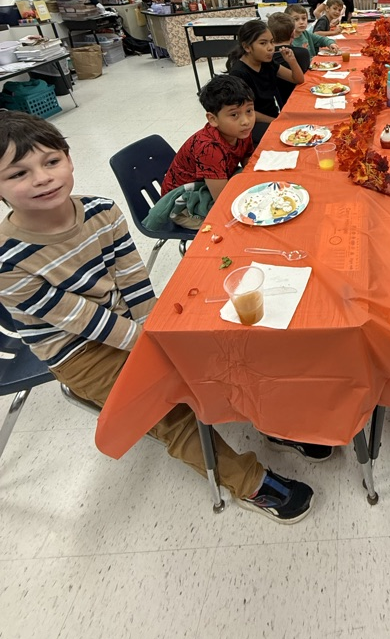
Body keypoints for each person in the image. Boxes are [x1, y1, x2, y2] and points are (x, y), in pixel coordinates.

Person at [0, 112, 314, 524]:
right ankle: (246, 480)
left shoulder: (102, 211)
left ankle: (267, 422)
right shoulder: (10, 260)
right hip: (78, 351)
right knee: (166, 404)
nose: (42, 178)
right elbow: (83, 321)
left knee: (221, 347)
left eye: (51, 161)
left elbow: (134, 282)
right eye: (19, 173)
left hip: (129, 322)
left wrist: (160, 332)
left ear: (70, 159)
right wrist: (155, 346)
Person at [152, 75, 256, 230]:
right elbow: (223, 201)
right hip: (184, 203)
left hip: (215, 183)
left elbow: (247, 159)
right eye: (234, 114)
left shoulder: (240, 131)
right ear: (212, 119)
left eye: (249, 110)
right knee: (237, 225)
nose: (246, 120)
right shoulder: (208, 148)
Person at [226, 20, 305, 143]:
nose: (270, 48)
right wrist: (276, 121)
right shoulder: (239, 73)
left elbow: (298, 79)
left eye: (272, 42)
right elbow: (245, 112)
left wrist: (292, 60)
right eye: (263, 43)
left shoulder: (266, 63)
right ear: (247, 47)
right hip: (254, 123)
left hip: (273, 115)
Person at [267, 12, 311, 106]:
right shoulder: (302, 53)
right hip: (299, 101)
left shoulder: (267, 56)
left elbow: (299, 79)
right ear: (293, 33)